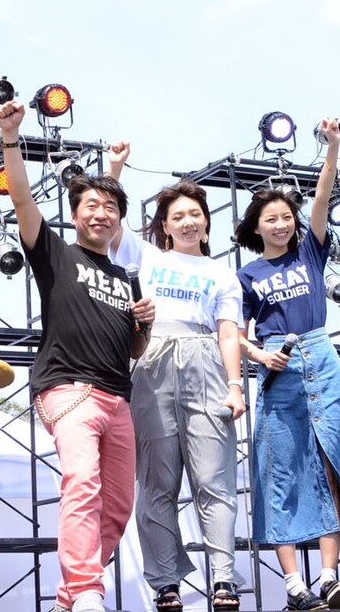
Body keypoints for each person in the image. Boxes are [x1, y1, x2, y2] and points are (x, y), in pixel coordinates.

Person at [0, 100, 154, 612]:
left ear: (119, 220)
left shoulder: (124, 277)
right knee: (81, 482)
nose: (100, 213)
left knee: (117, 508)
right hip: (68, 389)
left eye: (110, 208)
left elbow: (132, 351)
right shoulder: (57, 254)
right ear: (74, 212)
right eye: (90, 205)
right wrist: (12, 137)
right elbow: (21, 199)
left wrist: (144, 326)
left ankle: (69, 599)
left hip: (117, 399)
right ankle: (86, 591)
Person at [234, 119, 340, 611]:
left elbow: (321, 198)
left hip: (321, 358)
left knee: (331, 463)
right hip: (278, 372)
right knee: (281, 472)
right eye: (271, 218)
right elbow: (234, 334)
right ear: (255, 228)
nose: (281, 223)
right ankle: (294, 585)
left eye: (286, 217)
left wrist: (334, 149)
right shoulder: (247, 274)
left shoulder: (309, 255)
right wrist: (260, 355)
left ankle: (328, 577)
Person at [106, 142, 247, 612]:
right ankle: (166, 582)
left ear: (207, 221)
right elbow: (111, 226)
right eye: (178, 216)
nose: (188, 221)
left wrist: (234, 385)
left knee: (214, 480)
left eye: (196, 214)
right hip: (152, 358)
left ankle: (223, 579)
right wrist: (115, 169)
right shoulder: (146, 255)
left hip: (206, 359)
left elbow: (229, 332)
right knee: (158, 481)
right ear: (164, 226)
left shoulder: (223, 274)